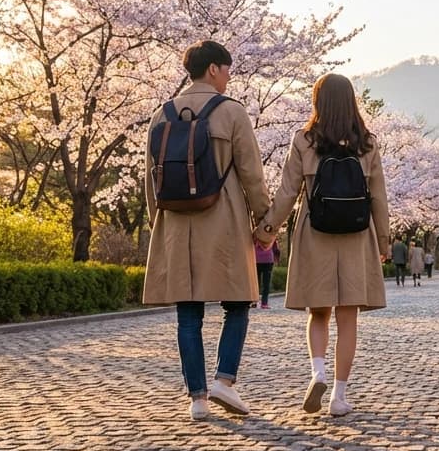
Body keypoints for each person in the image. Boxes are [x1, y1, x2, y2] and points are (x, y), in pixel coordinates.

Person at [142, 40, 270, 421]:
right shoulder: (231, 113)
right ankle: (224, 381)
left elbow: (151, 179)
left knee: (188, 312)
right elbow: (251, 174)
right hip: (224, 219)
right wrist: (265, 224)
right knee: (238, 304)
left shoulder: (160, 115)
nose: (229, 76)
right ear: (212, 69)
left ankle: (197, 398)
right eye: (227, 68)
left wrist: (157, 222)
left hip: (177, 224)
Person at [261, 73, 390, 417]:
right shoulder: (367, 143)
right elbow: (378, 196)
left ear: (318, 101)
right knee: (348, 317)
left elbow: (288, 191)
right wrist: (385, 239)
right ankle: (338, 396)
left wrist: (267, 230)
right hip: (356, 234)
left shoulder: (304, 140)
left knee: (318, 312)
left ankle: (317, 371)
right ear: (351, 101)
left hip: (314, 231)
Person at [254, 239, 280, 309]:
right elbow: (276, 249)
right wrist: (277, 259)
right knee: (266, 283)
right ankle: (264, 303)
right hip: (268, 260)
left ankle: (254, 302)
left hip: (256, 259)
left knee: (255, 283)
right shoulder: (271, 234)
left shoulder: (256, 234)